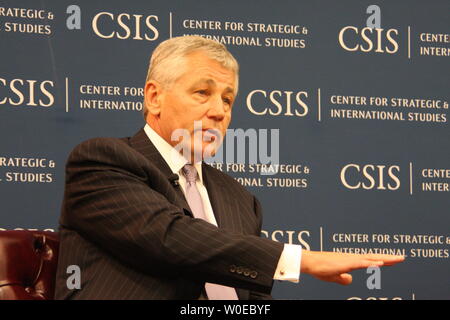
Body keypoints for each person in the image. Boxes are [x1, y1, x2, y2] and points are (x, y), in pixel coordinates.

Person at [54, 36, 404, 300]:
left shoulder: (238, 198)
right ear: (154, 97)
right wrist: (300, 259)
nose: (219, 112)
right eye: (202, 93)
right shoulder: (103, 161)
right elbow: (169, 237)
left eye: (227, 99)